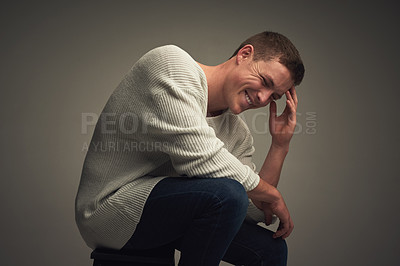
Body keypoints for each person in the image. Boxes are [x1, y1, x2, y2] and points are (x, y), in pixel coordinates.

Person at [75, 30, 305, 266]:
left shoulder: (236, 132)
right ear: (245, 54)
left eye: (273, 96)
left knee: (270, 250)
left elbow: (253, 211)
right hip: (109, 210)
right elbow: (200, 157)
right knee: (226, 194)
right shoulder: (171, 65)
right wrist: (271, 193)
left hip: (166, 212)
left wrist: (279, 145)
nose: (263, 98)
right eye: (265, 82)